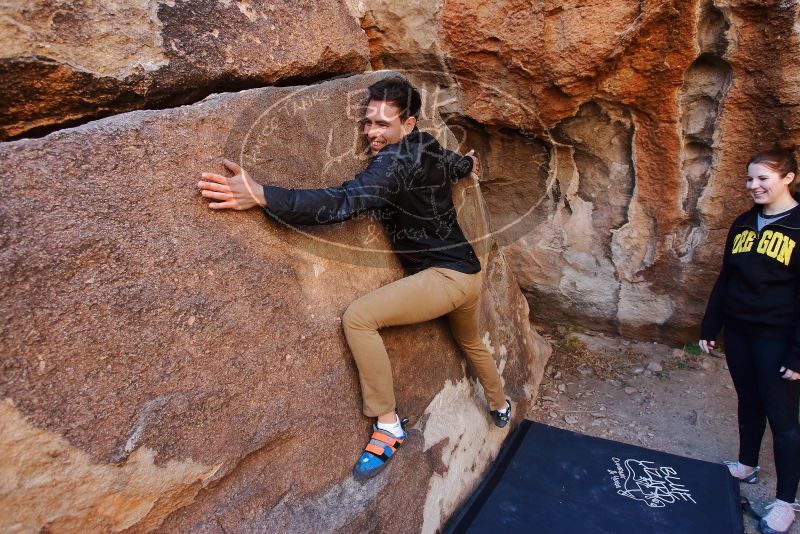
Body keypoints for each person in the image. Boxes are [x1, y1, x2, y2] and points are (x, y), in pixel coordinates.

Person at [197, 76, 511, 482]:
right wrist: (469, 165)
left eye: (382, 124)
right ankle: (499, 404)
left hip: (446, 279)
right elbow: (453, 164)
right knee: (470, 340)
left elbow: (343, 201)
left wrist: (262, 194)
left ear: (409, 124)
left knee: (359, 318)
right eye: (368, 122)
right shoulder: (428, 143)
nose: (371, 133)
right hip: (468, 271)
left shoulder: (393, 163)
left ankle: (388, 425)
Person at [699, 148, 800, 533]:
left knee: (783, 419)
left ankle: (786, 503)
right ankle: (746, 464)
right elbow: (727, 278)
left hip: (778, 337)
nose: (753, 186)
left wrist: (798, 353)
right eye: (749, 179)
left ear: (788, 178)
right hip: (740, 331)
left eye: (762, 178)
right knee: (748, 401)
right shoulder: (743, 223)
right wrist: (711, 325)